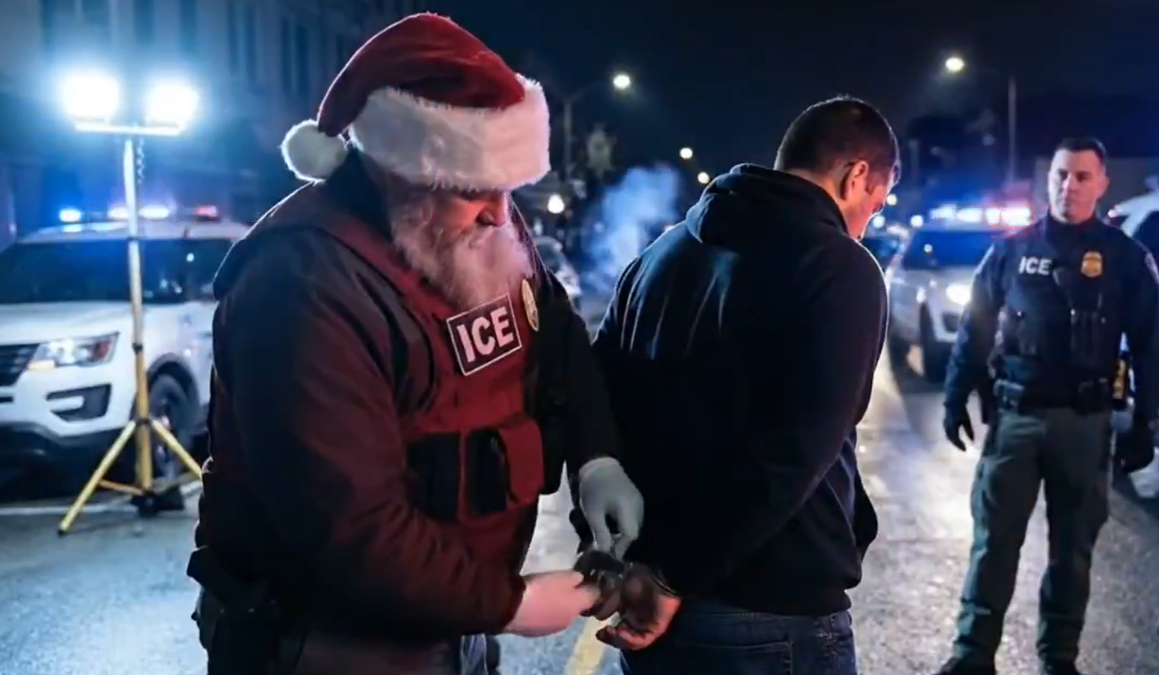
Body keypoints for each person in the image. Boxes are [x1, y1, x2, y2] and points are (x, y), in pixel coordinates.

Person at [186, 14, 644, 675]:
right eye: (470, 189)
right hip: (331, 643)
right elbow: (349, 523)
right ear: (398, 170)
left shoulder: (471, 217)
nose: (498, 212)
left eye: (505, 186)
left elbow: (554, 330)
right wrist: (510, 603)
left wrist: (597, 458)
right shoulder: (305, 280)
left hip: (448, 619)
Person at [589, 96, 895, 675]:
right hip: (771, 609)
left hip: (650, 600)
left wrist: (613, 549)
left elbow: (596, 405)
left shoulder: (659, 256)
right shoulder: (840, 267)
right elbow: (794, 455)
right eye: (874, 207)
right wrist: (673, 576)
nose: (864, 225)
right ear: (856, 175)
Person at [936, 137, 1159, 675]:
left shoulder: (1125, 259)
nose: (1070, 186)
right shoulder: (1012, 250)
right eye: (1062, 174)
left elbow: (1150, 343)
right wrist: (956, 394)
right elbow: (976, 326)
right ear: (1049, 179)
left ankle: (1059, 660)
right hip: (1016, 418)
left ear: (1101, 182)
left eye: (1082, 176)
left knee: (1072, 551)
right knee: (994, 544)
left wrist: (1146, 422)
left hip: (1084, 425)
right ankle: (972, 656)